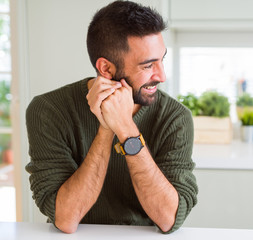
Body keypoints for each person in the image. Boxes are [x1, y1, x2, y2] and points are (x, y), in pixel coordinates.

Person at [25, 0, 198, 234]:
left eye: (162, 60)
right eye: (148, 66)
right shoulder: (48, 110)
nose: (162, 75)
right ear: (106, 69)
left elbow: (169, 219)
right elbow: (66, 219)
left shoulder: (175, 117)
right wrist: (106, 128)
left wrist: (126, 127)